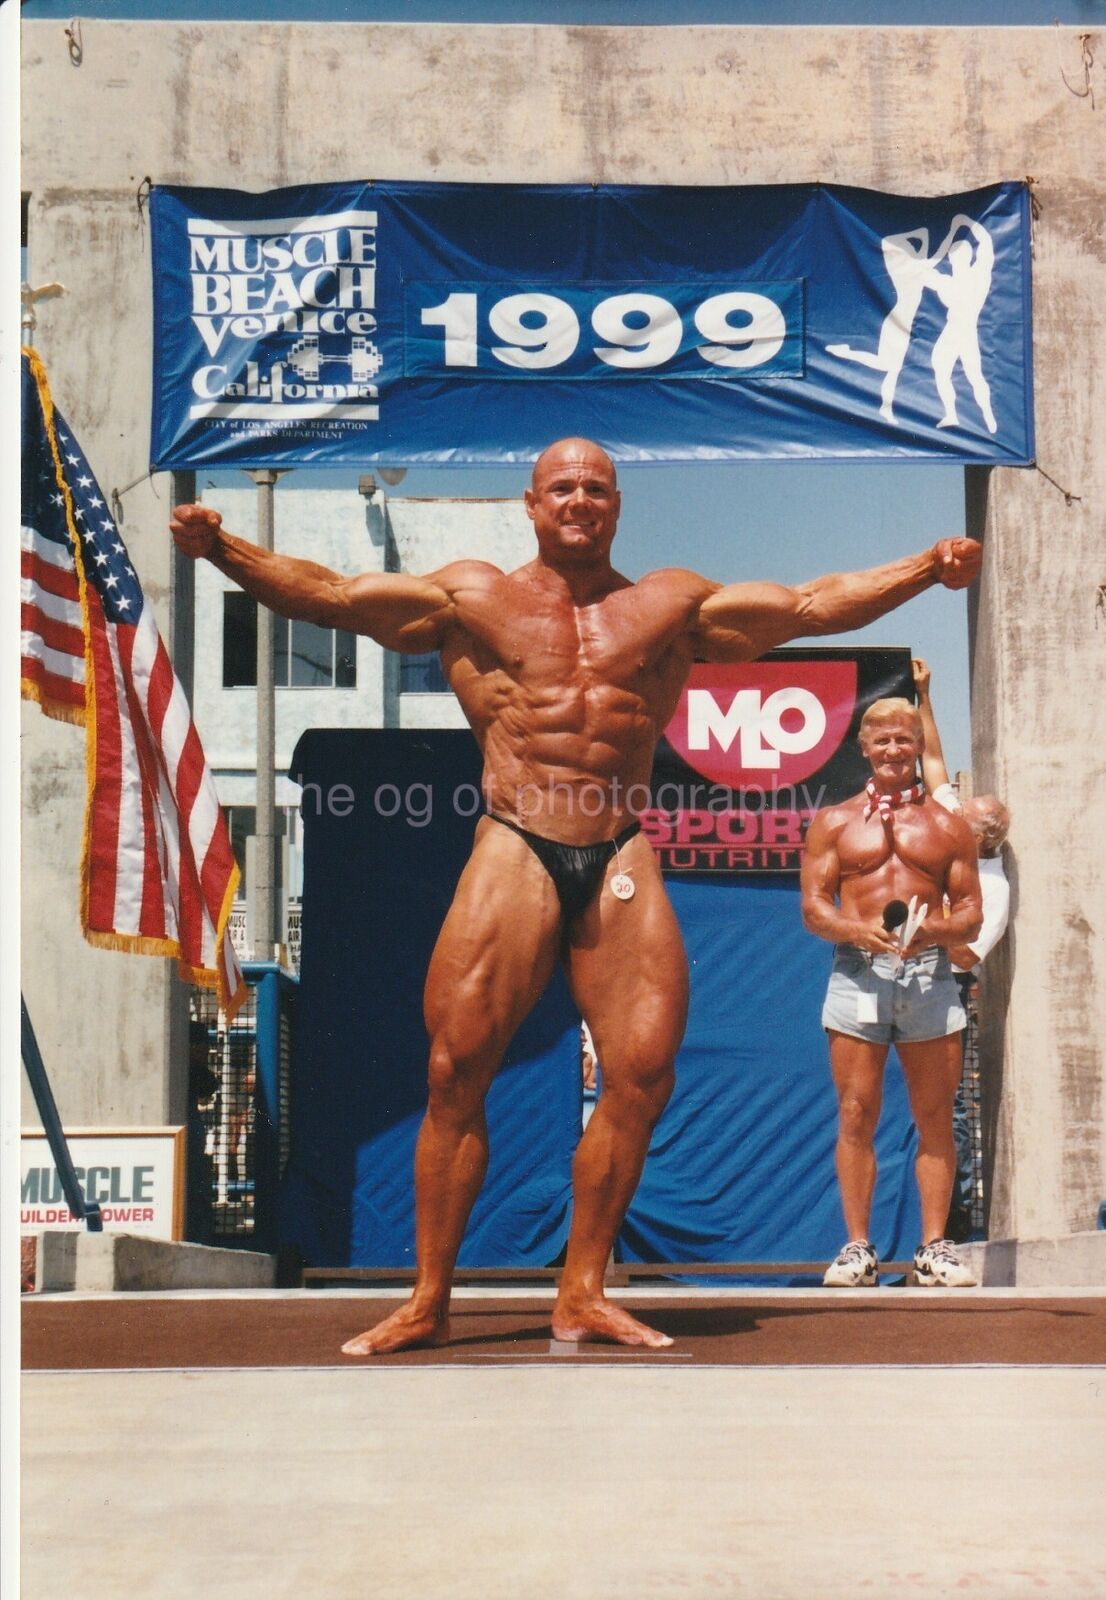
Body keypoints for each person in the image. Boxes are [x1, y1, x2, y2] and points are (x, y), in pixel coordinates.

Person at [172, 436, 981, 1350]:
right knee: (454, 1069)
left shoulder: (667, 603)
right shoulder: (474, 594)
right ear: (531, 501)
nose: (581, 501)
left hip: (618, 845)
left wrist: (925, 566)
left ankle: (583, 1289)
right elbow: (338, 597)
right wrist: (225, 549)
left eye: (598, 488)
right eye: (563, 487)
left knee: (642, 1071)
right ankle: (428, 1298)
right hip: (518, 836)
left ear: (618, 504)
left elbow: (804, 604)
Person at [801, 697, 983, 1288]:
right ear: (864, 746)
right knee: (856, 1112)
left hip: (928, 973)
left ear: (917, 746)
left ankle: (934, 1246)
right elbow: (813, 908)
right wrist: (860, 931)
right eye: (881, 740)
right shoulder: (833, 822)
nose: (893, 750)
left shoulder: (948, 826)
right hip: (858, 971)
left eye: (904, 739)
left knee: (933, 1114)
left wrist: (930, 928)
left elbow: (973, 914)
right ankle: (858, 1248)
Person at [912, 657, 1010, 1239]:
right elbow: (933, 764)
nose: (948, 820)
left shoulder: (993, 890)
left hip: (941, 991)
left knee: (947, 1109)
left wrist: (927, 928)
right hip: (904, 975)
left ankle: (954, 1229)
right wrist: (925, 694)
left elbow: (967, 956)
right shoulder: (953, 837)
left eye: (961, 822)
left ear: (981, 838)